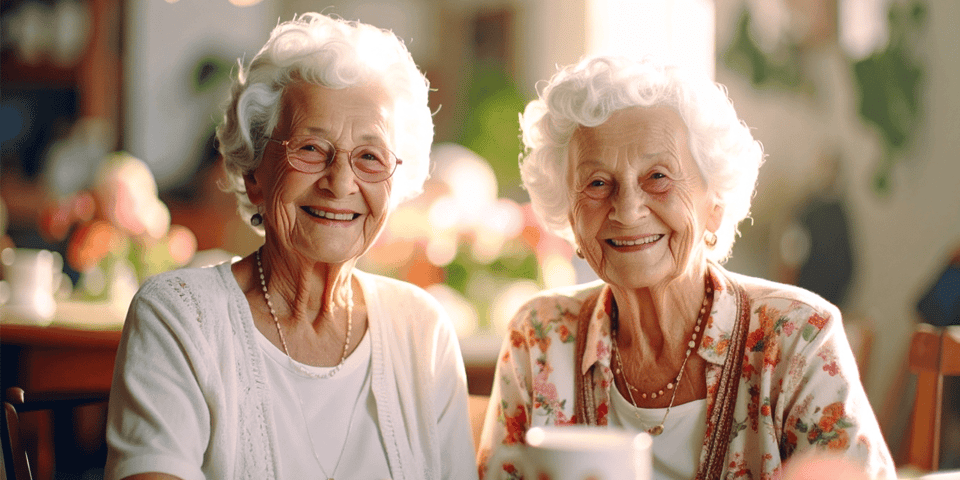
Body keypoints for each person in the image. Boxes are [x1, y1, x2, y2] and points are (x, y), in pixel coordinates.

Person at [476, 56, 896, 479]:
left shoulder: (798, 336)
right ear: (569, 214)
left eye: (657, 176)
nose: (626, 209)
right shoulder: (541, 336)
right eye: (598, 183)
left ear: (714, 205)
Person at [105, 13, 477, 480]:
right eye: (310, 148)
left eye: (369, 156)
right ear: (254, 174)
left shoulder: (421, 331)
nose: (340, 183)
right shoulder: (180, 318)